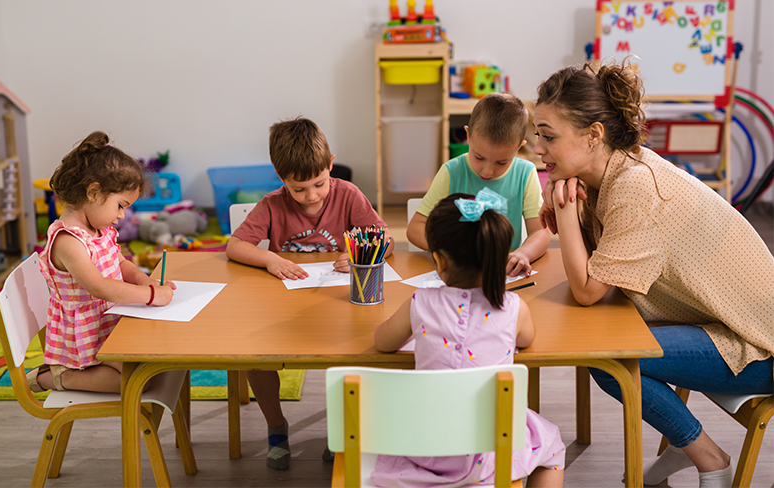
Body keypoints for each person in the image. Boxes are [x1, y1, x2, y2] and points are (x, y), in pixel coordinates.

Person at [534, 61, 774, 488]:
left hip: (756, 346)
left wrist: (567, 216)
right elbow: (599, 271)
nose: (537, 147)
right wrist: (570, 206)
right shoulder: (612, 171)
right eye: (538, 135)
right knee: (606, 346)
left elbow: (589, 290)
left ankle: (708, 457)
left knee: (609, 359)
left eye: (548, 136)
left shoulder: (634, 187)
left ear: (594, 135)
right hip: (715, 324)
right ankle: (690, 449)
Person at [226, 116, 393, 470]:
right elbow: (235, 246)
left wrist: (360, 254)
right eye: (298, 189)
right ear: (280, 176)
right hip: (283, 309)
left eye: (319, 184)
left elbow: (386, 238)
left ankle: (340, 430)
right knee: (255, 358)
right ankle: (276, 426)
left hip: (337, 307)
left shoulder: (348, 194)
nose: (311, 196)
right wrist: (269, 259)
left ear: (330, 165)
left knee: (352, 356)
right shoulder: (272, 204)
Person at [374, 189, 565, 488]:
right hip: (489, 453)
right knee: (552, 445)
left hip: (422, 448)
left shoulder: (420, 302)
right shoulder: (514, 307)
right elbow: (527, 339)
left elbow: (383, 342)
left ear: (440, 261)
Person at [28, 131, 176, 395]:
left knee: (154, 362)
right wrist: (151, 295)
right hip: (84, 334)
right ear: (94, 192)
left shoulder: (100, 229)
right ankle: (58, 378)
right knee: (140, 381)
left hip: (106, 322)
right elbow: (100, 287)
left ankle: (69, 373)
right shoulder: (68, 241)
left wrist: (145, 280)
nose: (121, 216)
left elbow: (121, 263)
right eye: (120, 206)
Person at [406, 93, 549, 277]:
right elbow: (416, 228)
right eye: (479, 157)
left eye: (502, 162)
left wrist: (523, 253)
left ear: (519, 147)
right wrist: (451, 250)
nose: (487, 171)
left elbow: (540, 233)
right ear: (468, 136)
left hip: (504, 276)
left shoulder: (525, 173)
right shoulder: (451, 171)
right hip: (458, 274)